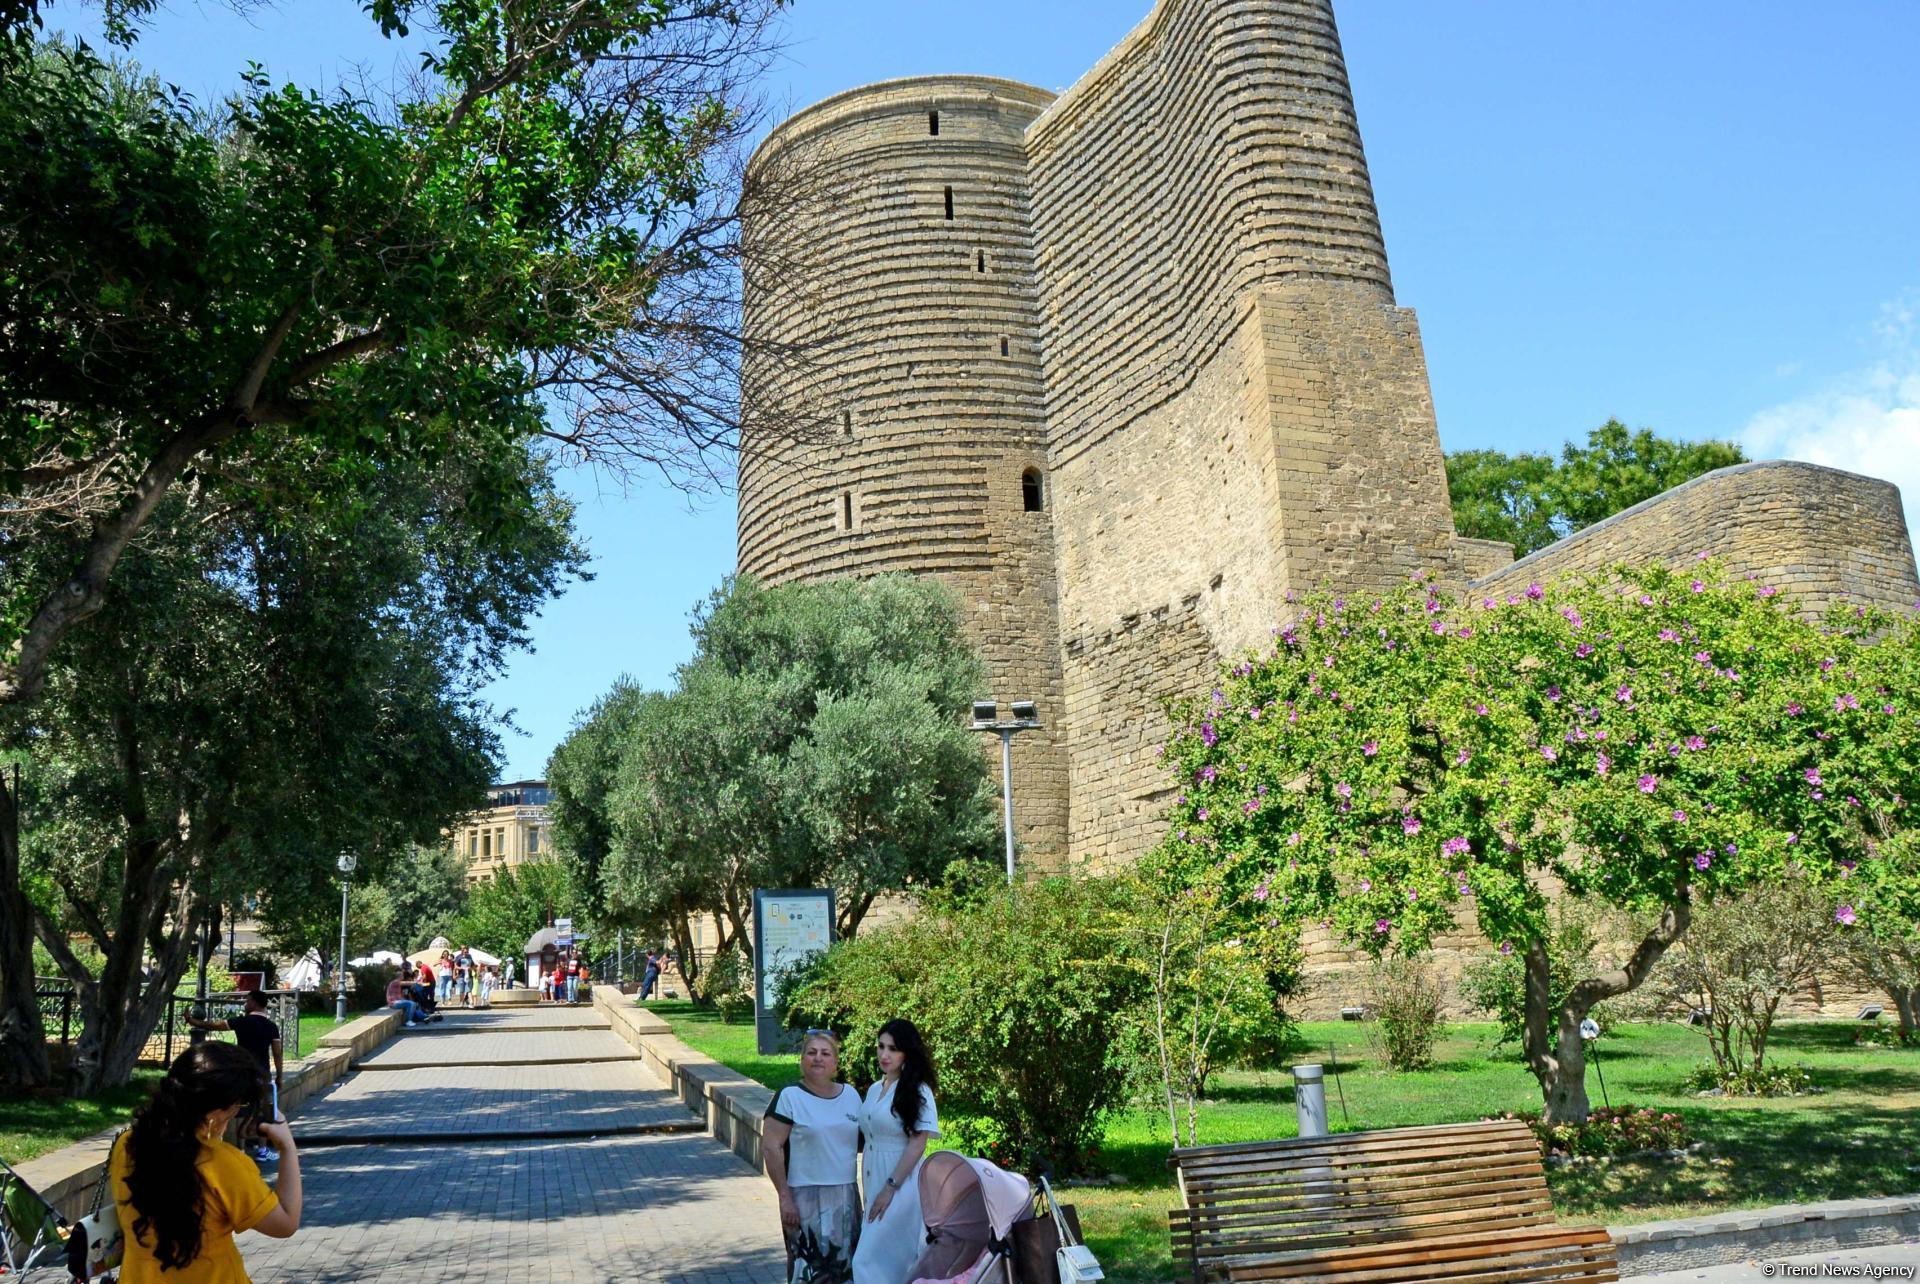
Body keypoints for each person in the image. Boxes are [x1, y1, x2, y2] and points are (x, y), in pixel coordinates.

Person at [109, 1041, 302, 1283]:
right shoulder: (225, 1165)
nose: (236, 1112)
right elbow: (284, 1223)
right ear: (216, 1111)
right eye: (238, 1105)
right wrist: (288, 1148)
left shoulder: (128, 1145)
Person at [762, 1031, 861, 1282]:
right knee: (806, 1268)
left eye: (825, 1054)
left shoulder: (852, 1096)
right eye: (811, 1052)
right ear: (802, 1060)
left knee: (845, 1265)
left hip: (845, 1196)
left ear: (836, 1063)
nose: (818, 1058)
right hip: (803, 1197)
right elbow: (771, 1148)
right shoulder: (789, 1097)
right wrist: (785, 1198)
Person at [851, 1019, 941, 1284]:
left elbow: (918, 1143)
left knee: (867, 1260)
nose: (884, 1054)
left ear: (907, 1053)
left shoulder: (918, 1090)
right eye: (881, 1046)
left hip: (902, 1183)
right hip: (874, 1178)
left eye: (893, 1048)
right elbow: (868, 1136)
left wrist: (890, 1188)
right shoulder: (875, 1089)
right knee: (884, 1260)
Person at [183, 992, 283, 1161]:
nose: (245, 1003)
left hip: (242, 1073)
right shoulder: (271, 1026)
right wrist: (280, 1076)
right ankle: (262, 1149)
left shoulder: (241, 1022)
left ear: (254, 1002)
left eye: (247, 1001)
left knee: (235, 1108)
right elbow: (277, 1053)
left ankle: (242, 1149)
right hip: (262, 1075)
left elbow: (215, 1026)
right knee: (264, 1112)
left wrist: (193, 1021)